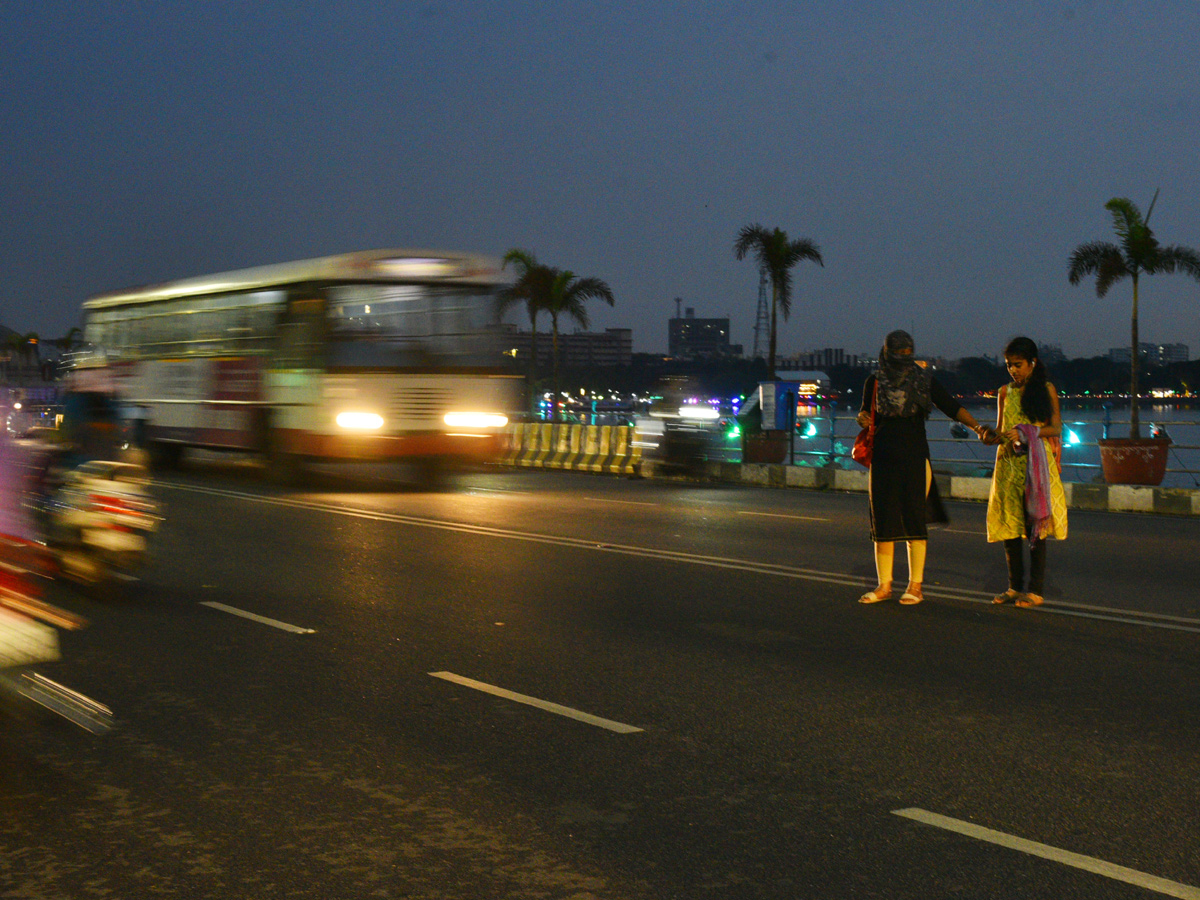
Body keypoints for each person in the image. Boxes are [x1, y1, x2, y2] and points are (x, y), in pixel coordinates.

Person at [857, 330, 991, 605]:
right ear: (887, 353)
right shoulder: (874, 381)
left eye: (907, 354)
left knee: (913, 520)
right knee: (883, 521)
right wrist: (863, 417)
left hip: (915, 457)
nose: (903, 359)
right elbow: (865, 413)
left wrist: (977, 427)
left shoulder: (923, 380)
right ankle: (884, 585)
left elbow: (951, 407)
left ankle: (915, 585)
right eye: (899, 354)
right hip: (883, 457)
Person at [986, 337, 1068, 608]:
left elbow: (1055, 428)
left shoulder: (1046, 389)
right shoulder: (1004, 392)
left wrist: (1026, 431)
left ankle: (1035, 590)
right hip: (1008, 465)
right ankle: (1013, 587)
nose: (1013, 370)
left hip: (1035, 467)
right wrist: (989, 436)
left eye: (1018, 365)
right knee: (1010, 527)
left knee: (1036, 528)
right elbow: (1000, 431)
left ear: (1033, 363)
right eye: (1009, 365)